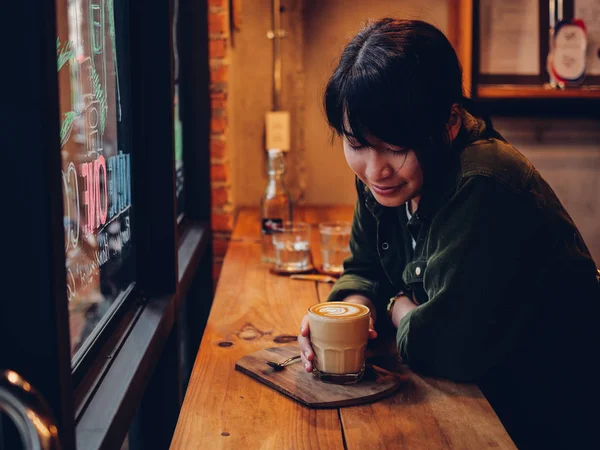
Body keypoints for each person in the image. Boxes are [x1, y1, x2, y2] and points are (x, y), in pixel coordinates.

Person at [297, 18, 599, 450]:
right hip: (480, 399)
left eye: (396, 147)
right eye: (356, 143)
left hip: (548, 413)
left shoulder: (483, 184)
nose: (375, 168)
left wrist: (396, 306)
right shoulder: (382, 181)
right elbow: (363, 269)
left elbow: (442, 346)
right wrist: (342, 321)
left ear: (450, 122)